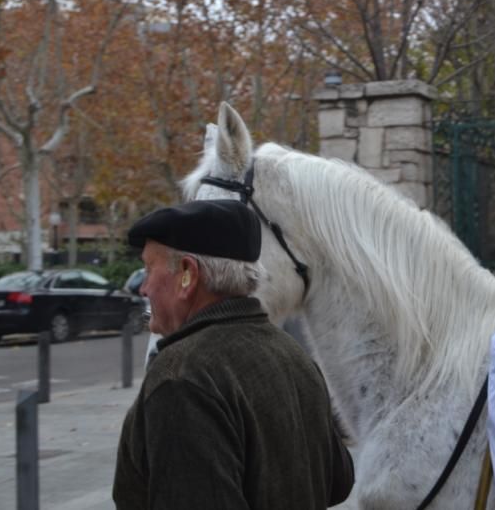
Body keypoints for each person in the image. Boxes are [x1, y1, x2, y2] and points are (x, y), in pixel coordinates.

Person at [112, 199, 354, 509]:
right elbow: (339, 481)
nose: (143, 288)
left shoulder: (182, 378)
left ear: (187, 274)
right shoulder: (294, 356)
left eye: (149, 269)